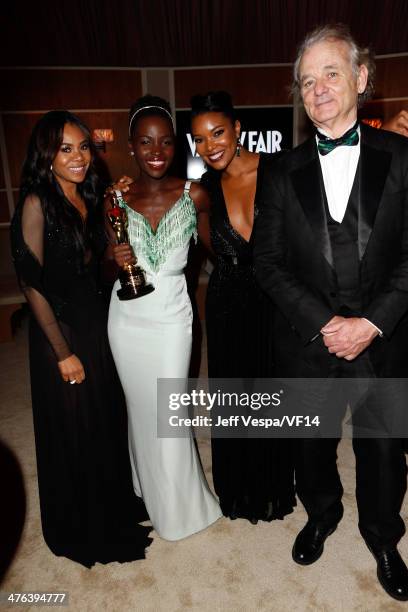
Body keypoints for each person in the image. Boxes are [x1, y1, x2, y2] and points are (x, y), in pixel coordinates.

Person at [254, 24, 408, 601]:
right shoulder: (278, 171)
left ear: (362, 78)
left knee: (385, 445)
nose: (317, 88)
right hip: (307, 339)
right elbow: (266, 262)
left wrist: (371, 323)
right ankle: (320, 514)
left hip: (384, 336)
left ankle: (383, 536)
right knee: (309, 444)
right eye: (307, 80)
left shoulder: (402, 158)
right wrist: (324, 324)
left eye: (331, 73)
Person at [10, 111, 152, 568]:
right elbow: (32, 285)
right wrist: (62, 352)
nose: (78, 157)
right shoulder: (36, 202)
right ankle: (83, 522)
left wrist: (114, 252)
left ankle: (111, 505)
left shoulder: (89, 195)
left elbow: (91, 267)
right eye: (65, 148)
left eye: (83, 147)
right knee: (75, 430)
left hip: (97, 323)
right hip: (63, 332)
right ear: (46, 155)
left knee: (104, 419)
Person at [106, 95, 221, 541]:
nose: (156, 151)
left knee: (170, 410)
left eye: (166, 142)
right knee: (141, 409)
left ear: (177, 147)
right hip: (126, 318)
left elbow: (219, 247)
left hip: (172, 315)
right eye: (146, 142)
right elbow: (101, 266)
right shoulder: (115, 197)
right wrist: (112, 256)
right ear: (131, 146)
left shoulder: (194, 194)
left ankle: (181, 510)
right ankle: (146, 487)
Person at [190, 91, 296, 523]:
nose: (209, 145)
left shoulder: (279, 170)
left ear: (237, 129)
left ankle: (273, 487)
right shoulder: (203, 191)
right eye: (198, 139)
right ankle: (237, 489)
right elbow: (209, 249)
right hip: (228, 297)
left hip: (274, 298)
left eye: (217, 132)